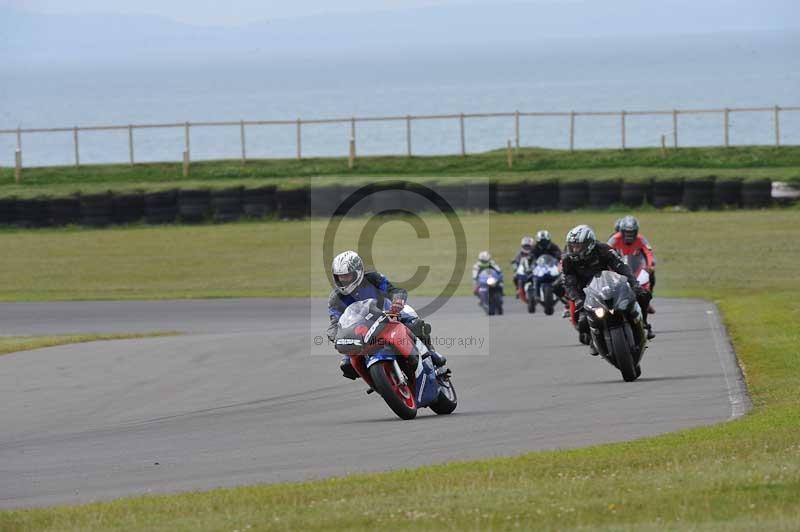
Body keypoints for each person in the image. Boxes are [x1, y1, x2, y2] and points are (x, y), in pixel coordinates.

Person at [326, 250, 446, 380]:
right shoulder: (335, 299)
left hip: (388, 315)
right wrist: (336, 336)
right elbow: (334, 324)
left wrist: (398, 301)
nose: (343, 280)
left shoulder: (373, 278)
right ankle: (377, 381)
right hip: (360, 332)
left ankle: (431, 352)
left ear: (358, 272)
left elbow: (395, 290)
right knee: (347, 365)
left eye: (347, 276)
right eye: (340, 277)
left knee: (414, 324)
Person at [562, 225, 655, 353]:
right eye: (572, 246)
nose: (574, 249)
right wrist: (578, 300)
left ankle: (643, 323)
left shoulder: (603, 249)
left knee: (644, 295)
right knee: (582, 322)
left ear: (589, 244)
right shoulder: (567, 260)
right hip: (585, 293)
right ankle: (593, 339)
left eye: (578, 246)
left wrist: (634, 284)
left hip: (609, 285)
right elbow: (569, 284)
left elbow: (621, 267)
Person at [607, 215, 657, 313]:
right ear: (621, 231)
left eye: (631, 232)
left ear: (636, 232)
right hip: (618, 266)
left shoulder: (641, 239)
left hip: (636, 265)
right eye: (626, 232)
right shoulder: (615, 238)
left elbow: (648, 252)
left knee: (651, 274)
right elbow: (605, 250)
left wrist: (650, 265)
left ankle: (647, 301)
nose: (629, 235)